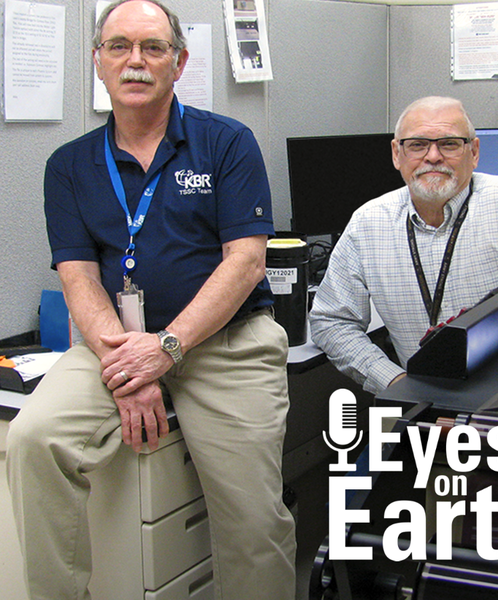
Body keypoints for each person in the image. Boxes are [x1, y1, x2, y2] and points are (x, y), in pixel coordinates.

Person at [6, 1, 296, 599]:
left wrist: (166, 348)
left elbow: (244, 262)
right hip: (117, 341)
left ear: (178, 62)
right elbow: (78, 275)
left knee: (254, 520)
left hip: (226, 343)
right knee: (33, 440)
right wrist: (126, 367)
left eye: (152, 48)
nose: (134, 61)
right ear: (98, 62)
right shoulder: (68, 165)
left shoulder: (226, 143)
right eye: (118, 47)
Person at [309, 96, 498, 395]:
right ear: (397, 154)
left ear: (473, 152)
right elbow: (331, 321)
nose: (433, 156)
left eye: (449, 144)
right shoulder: (368, 222)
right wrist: (395, 382)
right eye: (417, 145)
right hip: (419, 399)